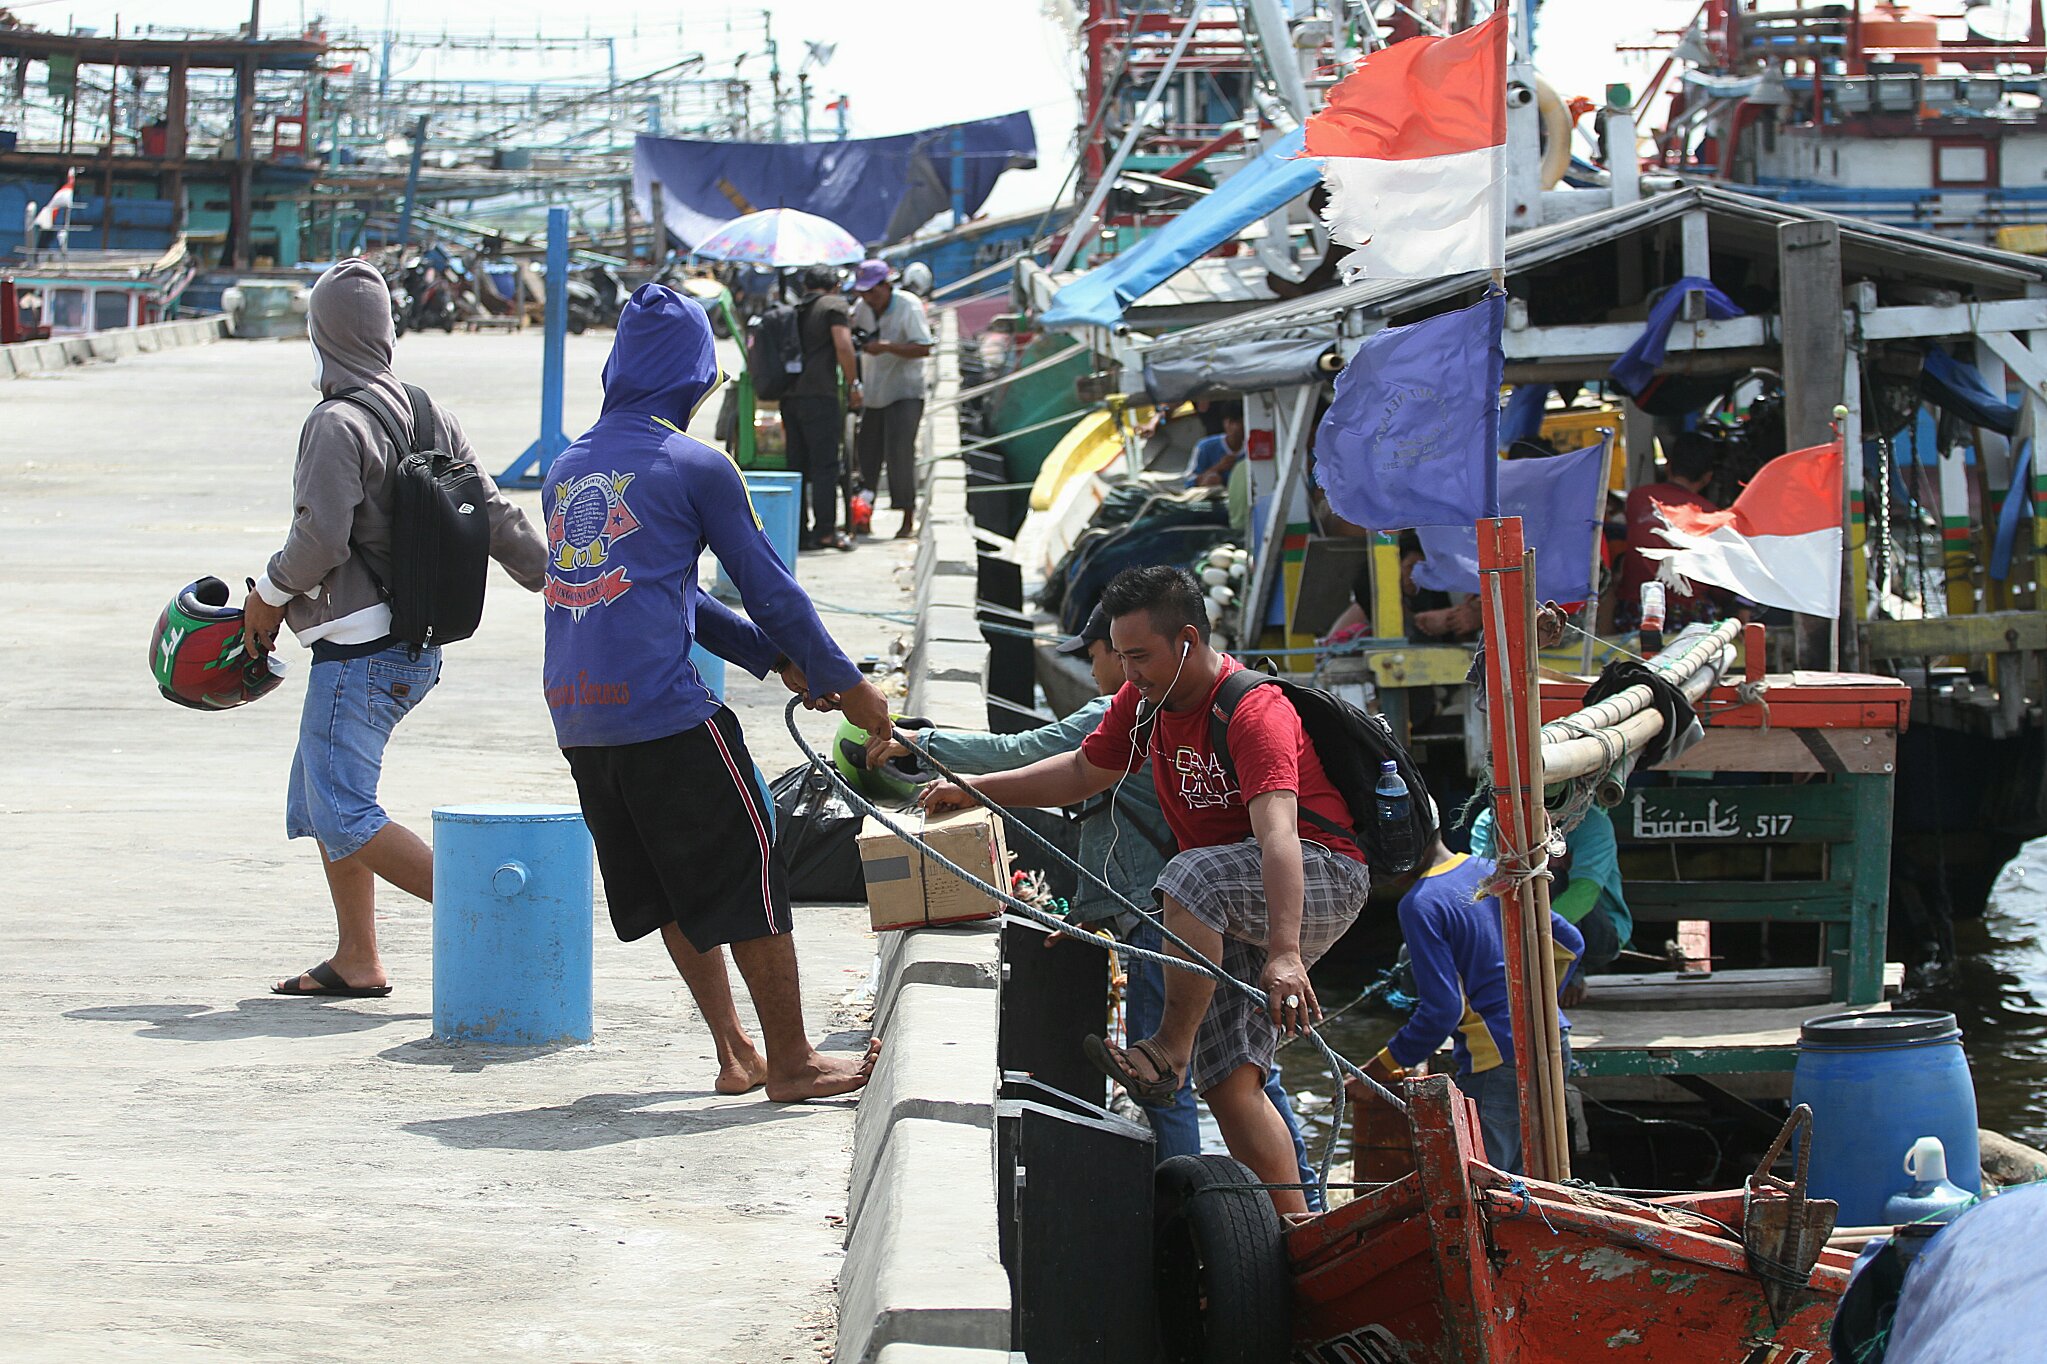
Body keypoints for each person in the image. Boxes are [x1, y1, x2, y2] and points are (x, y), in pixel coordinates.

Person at [923, 565, 1369, 1215]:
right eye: (1122, 655)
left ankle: (1167, 1052)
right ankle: (1294, 1226)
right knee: (1230, 1082)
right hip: (1232, 892)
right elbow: (1080, 770)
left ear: (1188, 641)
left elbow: (1276, 835)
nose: (1128, 673)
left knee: (1182, 878)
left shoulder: (1251, 710)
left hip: (1316, 872)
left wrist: (1284, 953)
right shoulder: (1142, 704)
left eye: (1140, 656)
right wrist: (975, 788)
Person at [542, 282, 890, 1101]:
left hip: (579, 717)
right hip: (664, 711)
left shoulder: (568, 466)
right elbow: (769, 589)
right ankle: (794, 1063)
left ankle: (736, 1052)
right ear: (695, 378)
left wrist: (773, 662)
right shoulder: (695, 464)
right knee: (749, 865)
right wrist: (849, 685)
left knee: (670, 878)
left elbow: (669, 591)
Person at [242, 259, 548, 998]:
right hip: (415, 641)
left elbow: (319, 541)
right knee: (322, 800)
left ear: (321, 335)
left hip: (358, 650)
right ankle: (357, 956)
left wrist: (268, 595)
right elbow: (492, 510)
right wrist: (552, 576)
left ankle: (511, 917)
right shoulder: (422, 409)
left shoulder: (334, 422)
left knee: (343, 807)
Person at [1362, 839, 1583, 1174]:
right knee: (1535, 1184)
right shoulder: (1486, 868)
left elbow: (1441, 1012)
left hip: (1497, 1065)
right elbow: (1570, 943)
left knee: (1485, 1196)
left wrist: (1377, 1070)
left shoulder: (1420, 903)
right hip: (1554, 1041)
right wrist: (1539, 1008)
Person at [1469, 803, 1631, 980]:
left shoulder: (1591, 821)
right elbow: (1488, 883)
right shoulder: (1492, 821)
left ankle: (1570, 973)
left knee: (1550, 876)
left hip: (1594, 936)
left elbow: (1584, 892)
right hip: (1518, 929)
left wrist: (1535, 933)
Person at [849, 259, 933, 540]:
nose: (868, 298)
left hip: (905, 392)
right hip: (874, 392)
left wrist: (886, 348)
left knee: (900, 453)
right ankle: (863, 515)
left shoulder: (908, 305)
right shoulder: (862, 309)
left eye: (872, 292)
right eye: (863, 293)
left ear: (886, 286)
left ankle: (908, 517)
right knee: (866, 455)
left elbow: (924, 347)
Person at [782, 266, 860, 553]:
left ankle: (798, 532)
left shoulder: (793, 309)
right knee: (825, 465)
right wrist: (854, 384)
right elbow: (843, 345)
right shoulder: (834, 306)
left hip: (789, 396)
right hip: (819, 396)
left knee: (797, 465)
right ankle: (826, 531)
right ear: (836, 286)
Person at [1614, 431, 1725, 629]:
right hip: (1687, 616)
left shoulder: (1638, 498)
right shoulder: (1713, 515)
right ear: (1708, 477)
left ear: (1668, 466)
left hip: (1635, 612)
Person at [1184, 399, 1247, 489]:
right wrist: (1218, 467)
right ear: (1225, 423)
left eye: (1241, 422)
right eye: (1232, 422)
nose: (1236, 427)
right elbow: (1189, 481)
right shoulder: (1205, 447)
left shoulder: (1253, 449)